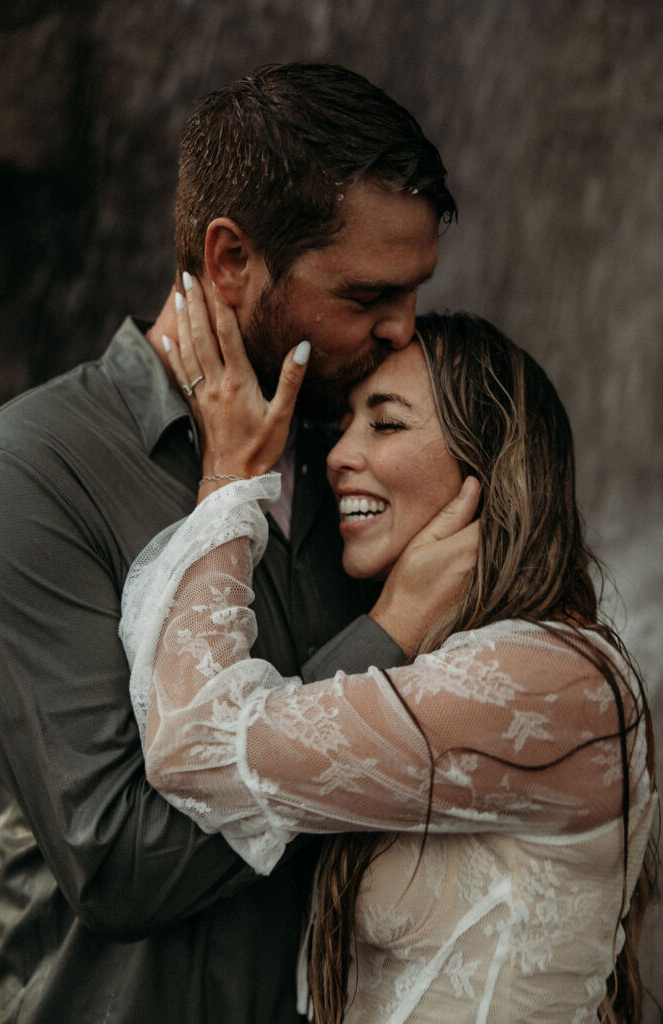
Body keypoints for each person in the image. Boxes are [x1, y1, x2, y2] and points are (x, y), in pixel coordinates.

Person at [0, 64, 458, 1024]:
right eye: (366, 294)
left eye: (413, 291)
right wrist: (390, 636)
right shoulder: (29, 468)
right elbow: (119, 862)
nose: (403, 328)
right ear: (231, 260)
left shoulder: (368, 461)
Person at [120, 285, 657, 1023]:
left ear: (488, 458)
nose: (338, 455)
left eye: (385, 424)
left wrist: (230, 477)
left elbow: (198, 744)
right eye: (344, 425)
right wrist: (397, 621)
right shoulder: (469, 665)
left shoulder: (551, 681)